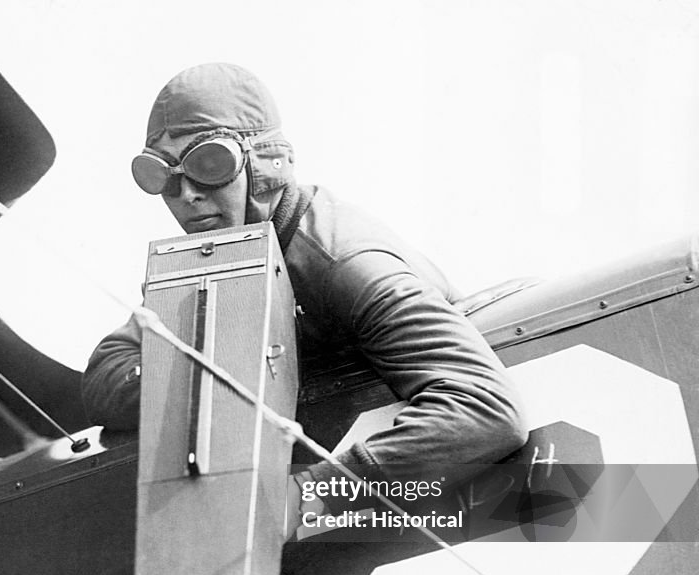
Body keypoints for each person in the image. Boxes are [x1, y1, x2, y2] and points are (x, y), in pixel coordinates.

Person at [82, 62, 527, 531]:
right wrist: (218, 364)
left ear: (263, 165)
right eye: (164, 177)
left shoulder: (341, 261)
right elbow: (108, 371)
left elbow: (487, 412)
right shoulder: (218, 254)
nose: (187, 195)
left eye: (209, 166)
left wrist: (299, 503)